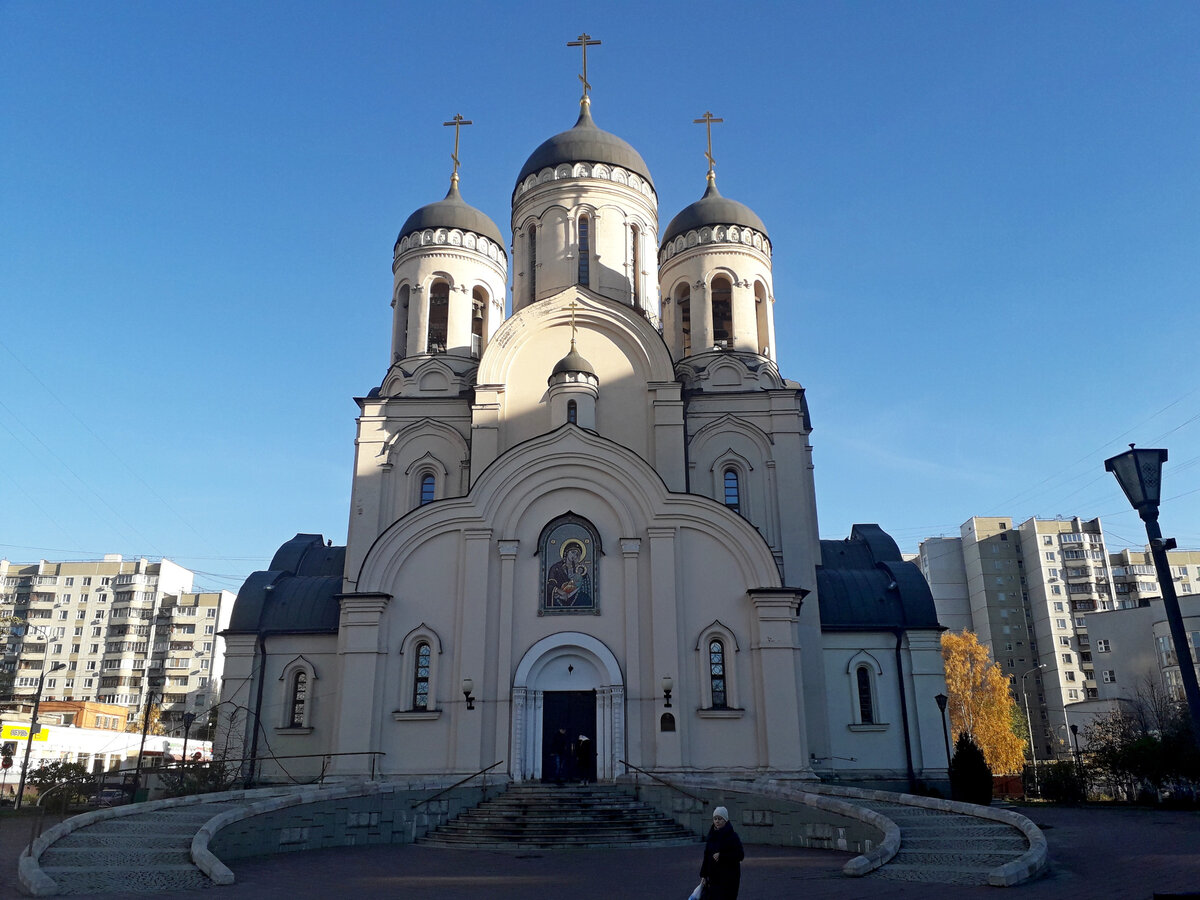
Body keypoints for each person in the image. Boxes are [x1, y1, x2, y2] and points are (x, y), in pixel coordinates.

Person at [699, 806, 744, 900]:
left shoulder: (732, 836)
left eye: (720, 818)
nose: (717, 821)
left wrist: (722, 856)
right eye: (715, 818)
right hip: (713, 879)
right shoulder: (711, 836)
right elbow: (706, 855)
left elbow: (740, 855)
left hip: (728, 880)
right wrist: (703, 874)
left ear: (725, 820)